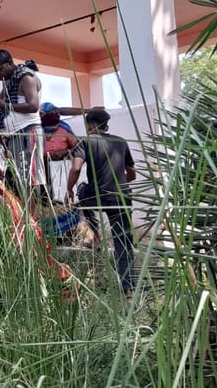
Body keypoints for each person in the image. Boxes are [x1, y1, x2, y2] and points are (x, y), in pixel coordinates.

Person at [66, 110, 136, 297]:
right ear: (106, 124)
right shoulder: (121, 141)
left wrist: (68, 190)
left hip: (96, 196)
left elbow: (76, 168)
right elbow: (132, 174)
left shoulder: (86, 141)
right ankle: (128, 288)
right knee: (123, 241)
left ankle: (96, 234)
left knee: (82, 189)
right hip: (120, 196)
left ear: (91, 125)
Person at [0, 49, 46, 210]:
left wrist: (6, 106)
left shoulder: (26, 77)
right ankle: (26, 219)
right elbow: (0, 100)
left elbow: (33, 106)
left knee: (31, 179)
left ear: (10, 63)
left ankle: (31, 221)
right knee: (21, 179)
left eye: (0, 70)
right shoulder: (9, 80)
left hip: (28, 132)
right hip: (13, 136)